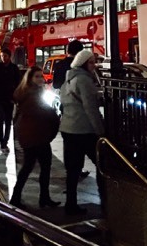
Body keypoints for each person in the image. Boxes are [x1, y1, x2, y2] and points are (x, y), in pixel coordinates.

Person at [59, 49, 105, 216]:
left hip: (68, 128)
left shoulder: (68, 80)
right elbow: (90, 108)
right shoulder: (84, 80)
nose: (94, 65)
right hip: (84, 130)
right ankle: (106, 202)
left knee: (73, 170)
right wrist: (101, 132)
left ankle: (70, 204)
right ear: (84, 63)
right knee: (102, 165)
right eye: (91, 62)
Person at [9, 67, 61, 209]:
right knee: (41, 167)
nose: (40, 79)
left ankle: (20, 196)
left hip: (31, 135)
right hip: (37, 136)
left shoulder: (26, 93)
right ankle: (41, 198)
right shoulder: (33, 94)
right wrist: (55, 117)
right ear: (30, 78)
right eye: (37, 76)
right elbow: (45, 113)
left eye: (41, 76)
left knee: (29, 167)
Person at [0, 48, 21, 153]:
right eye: (2, 56)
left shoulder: (14, 68)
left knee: (8, 120)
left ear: (9, 57)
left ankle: (5, 140)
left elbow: (18, 84)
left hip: (9, 99)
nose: (3, 58)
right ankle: (2, 141)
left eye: (5, 56)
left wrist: (16, 97)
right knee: (0, 119)